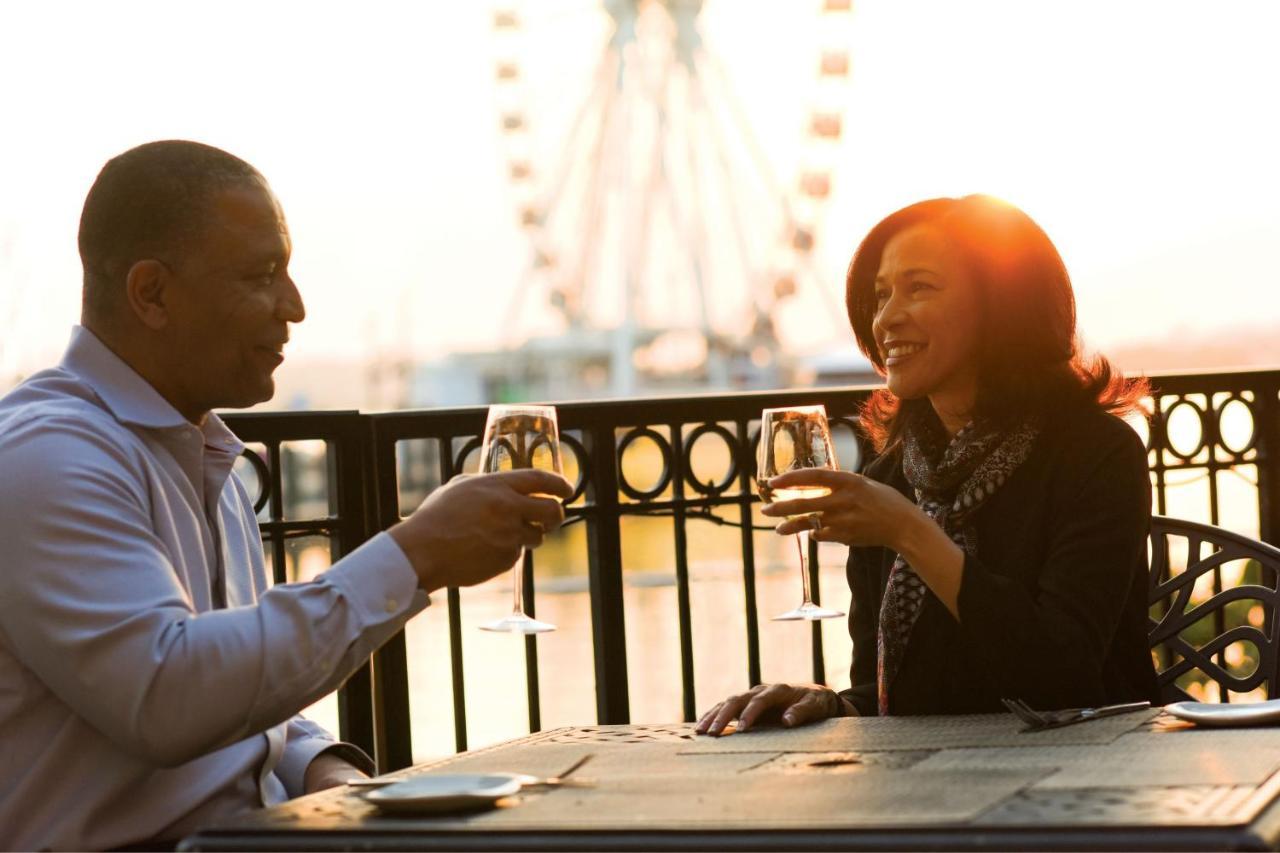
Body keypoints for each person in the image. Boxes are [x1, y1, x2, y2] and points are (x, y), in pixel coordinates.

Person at [0, 140, 572, 851]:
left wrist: (324, 770)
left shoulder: (201, 452)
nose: (295, 307)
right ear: (151, 293)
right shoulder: (46, 456)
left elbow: (237, 693)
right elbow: (167, 692)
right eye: (263, 274)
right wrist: (416, 553)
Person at [697, 194, 1160, 735]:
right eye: (880, 295)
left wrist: (912, 532)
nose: (886, 318)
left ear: (1003, 305)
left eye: (919, 287)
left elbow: (1062, 676)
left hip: (1096, 772)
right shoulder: (890, 479)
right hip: (935, 781)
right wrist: (828, 702)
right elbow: (888, 693)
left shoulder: (1096, 454)